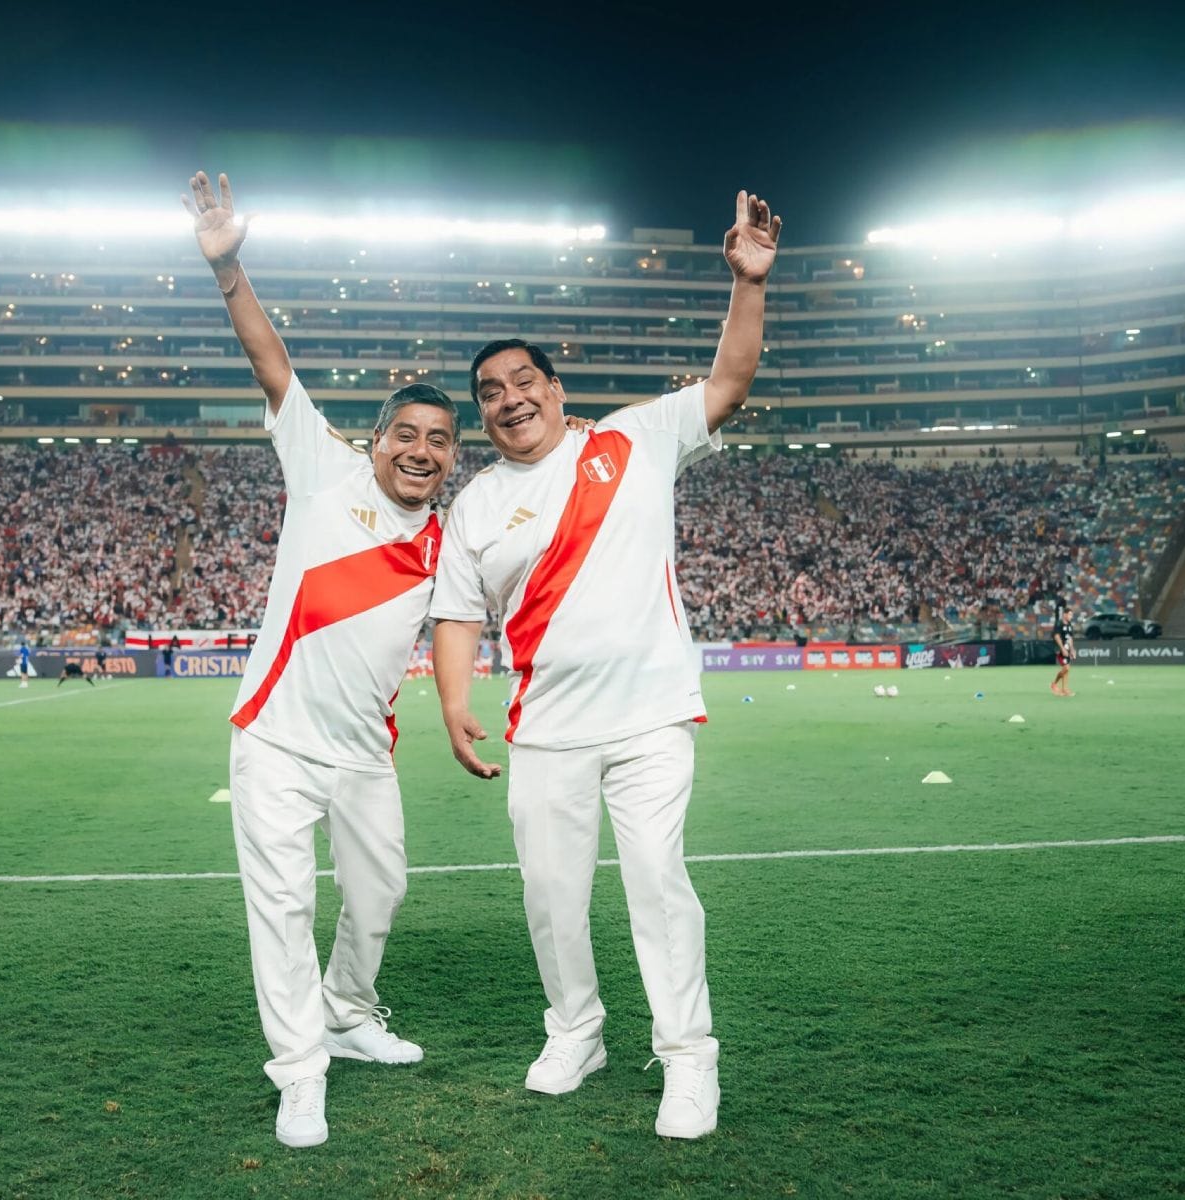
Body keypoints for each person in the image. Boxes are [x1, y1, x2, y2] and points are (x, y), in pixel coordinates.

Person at [430, 189, 782, 1141]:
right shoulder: (474, 505)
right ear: (484, 414)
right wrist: (454, 704)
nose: (509, 398)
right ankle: (576, 1032)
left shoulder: (634, 438)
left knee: (658, 883)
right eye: (490, 392)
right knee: (551, 897)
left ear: (555, 389)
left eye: (523, 380)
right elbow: (456, 615)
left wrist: (749, 284)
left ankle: (688, 1058)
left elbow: (729, 382)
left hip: (649, 717)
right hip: (545, 729)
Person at [188, 170, 459, 1150]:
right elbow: (272, 364)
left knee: (380, 891)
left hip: (364, 751)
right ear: (375, 441)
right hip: (275, 739)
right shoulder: (322, 467)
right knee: (283, 904)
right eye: (407, 435)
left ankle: (347, 1013)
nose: (421, 451)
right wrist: (229, 270)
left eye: (440, 441)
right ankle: (300, 1073)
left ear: (453, 457)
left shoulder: (451, 539)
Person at [1051, 604, 1076, 697]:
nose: (1071, 616)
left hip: (1067, 649)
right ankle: (1054, 683)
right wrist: (1062, 649)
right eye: (1069, 614)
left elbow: (1070, 638)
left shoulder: (1069, 625)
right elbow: (1056, 636)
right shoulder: (1059, 623)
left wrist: (1072, 649)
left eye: (1072, 615)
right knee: (1066, 668)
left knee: (1066, 669)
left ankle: (1065, 690)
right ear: (1064, 614)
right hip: (1060, 649)